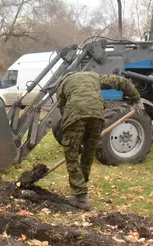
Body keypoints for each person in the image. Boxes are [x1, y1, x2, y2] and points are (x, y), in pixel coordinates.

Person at [52, 70, 143, 211]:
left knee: (71, 155)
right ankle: (82, 193)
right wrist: (136, 99)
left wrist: (73, 139)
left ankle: (81, 196)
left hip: (75, 114)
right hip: (98, 114)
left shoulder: (62, 84)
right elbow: (121, 82)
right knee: (88, 154)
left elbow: (64, 112)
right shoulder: (94, 76)